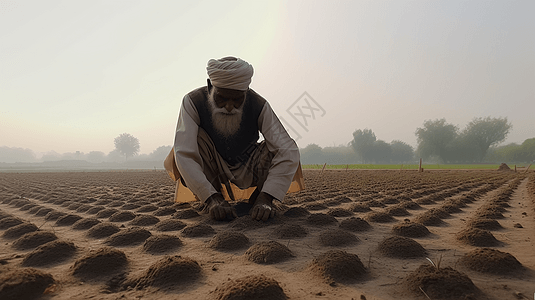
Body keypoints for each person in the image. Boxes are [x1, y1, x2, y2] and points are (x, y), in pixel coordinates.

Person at [164, 56, 304, 221]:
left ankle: (260, 198)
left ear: (246, 92)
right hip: (211, 164)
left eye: (237, 100)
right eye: (222, 99)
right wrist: (211, 199)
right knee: (187, 146)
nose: (229, 107)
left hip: (248, 163)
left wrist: (266, 198)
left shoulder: (258, 104)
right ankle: (214, 199)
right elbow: (184, 153)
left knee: (282, 147)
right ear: (210, 87)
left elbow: (287, 150)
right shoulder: (192, 101)